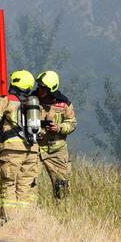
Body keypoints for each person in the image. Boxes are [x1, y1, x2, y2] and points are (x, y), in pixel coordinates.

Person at [0, 69, 40, 222]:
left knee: (9, 183)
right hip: (32, 149)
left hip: (12, 149)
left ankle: (10, 219)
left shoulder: (6, 100)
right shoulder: (33, 103)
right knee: (25, 185)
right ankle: (24, 219)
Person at [36, 70, 77, 199]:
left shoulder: (64, 104)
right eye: (39, 86)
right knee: (28, 183)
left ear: (51, 89)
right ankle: (30, 210)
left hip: (57, 151)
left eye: (43, 88)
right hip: (34, 149)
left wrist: (59, 128)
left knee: (61, 186)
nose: (40, 90)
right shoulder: (31, 101)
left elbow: (72, 124)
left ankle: (62, 209)